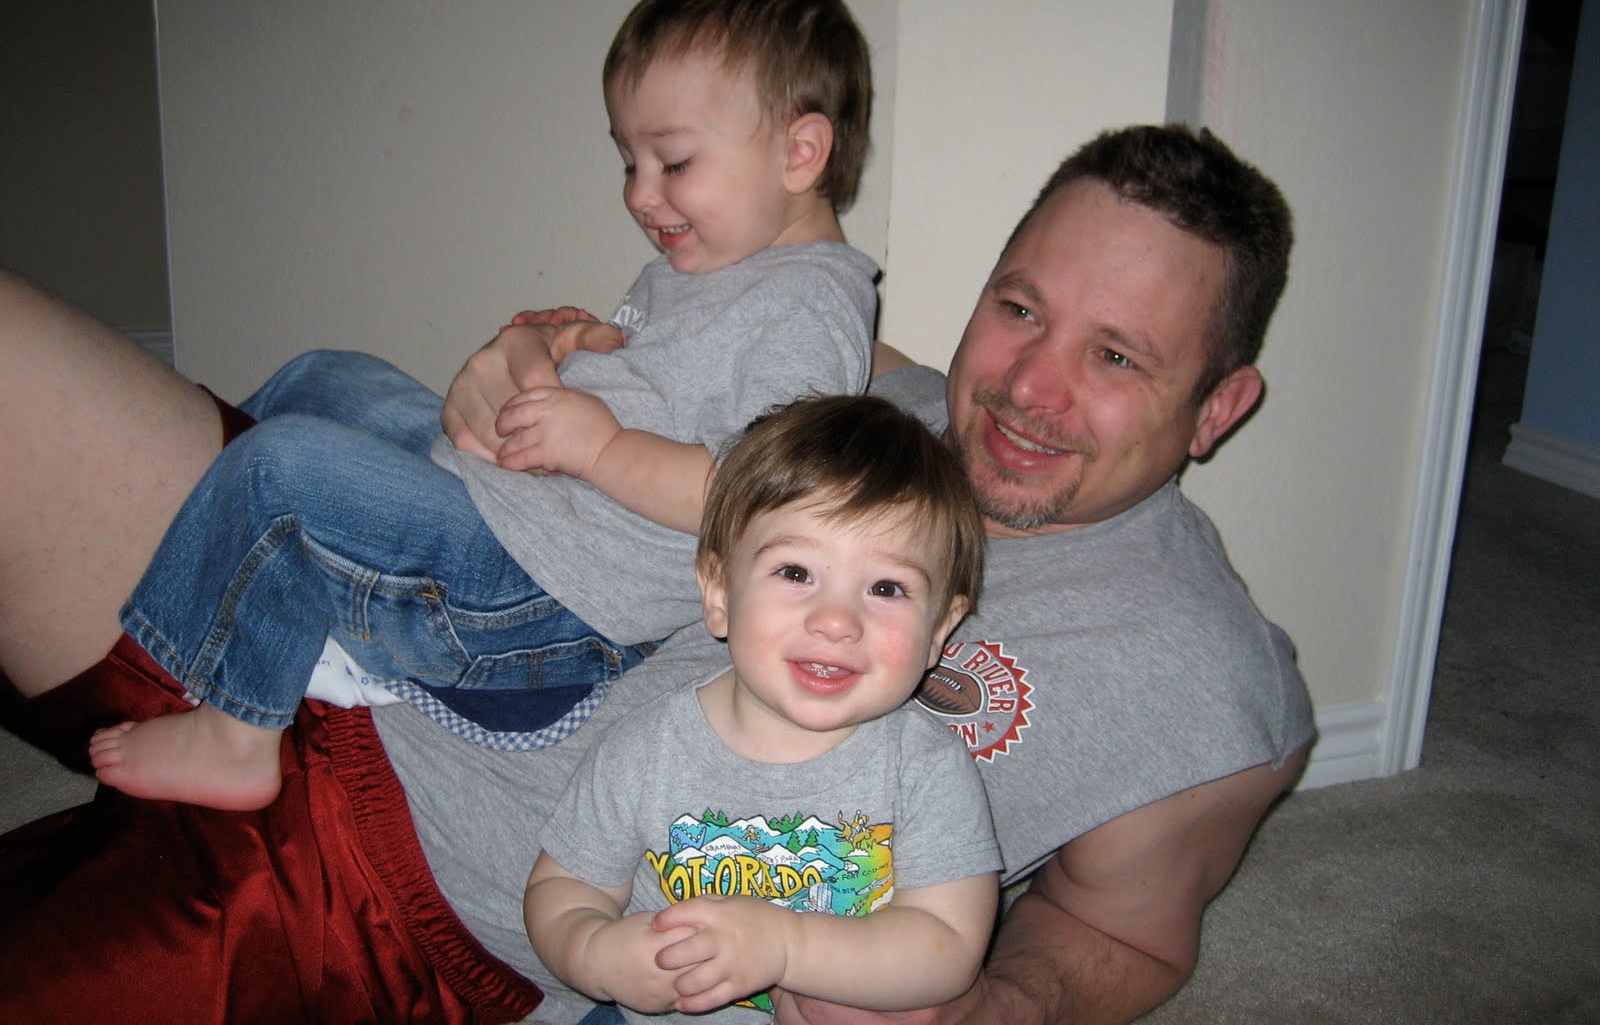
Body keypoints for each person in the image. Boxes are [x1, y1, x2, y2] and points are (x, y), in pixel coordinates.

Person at [0, 122, 1313, 1025]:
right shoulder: (866, 384)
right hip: (321, 618)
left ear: (1219, 405)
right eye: (1019, 309)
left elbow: (1126, 934)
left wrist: (993, 1007)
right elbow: (661, 345)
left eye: (1117, 358)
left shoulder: (1203, 680)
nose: (1028, 388)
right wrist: (533, 353)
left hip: (395, 898)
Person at [82, 0, 881, 811]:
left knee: (283, 471)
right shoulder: (717, 265)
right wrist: (577, 349)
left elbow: (767, 497)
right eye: (628, 163)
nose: (641, 196)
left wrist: (603, 447)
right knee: (325, 377)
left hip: (548, 601)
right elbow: (669, 386)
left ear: (801, 152)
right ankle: (226, 565)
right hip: (519, 512)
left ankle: (238, 729)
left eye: (673, 162)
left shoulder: (809, 308)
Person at [524, 395, 999, 1024]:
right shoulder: (646, 751)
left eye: (886, 588)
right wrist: (593, 950)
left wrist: (785, 947)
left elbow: (949, 947)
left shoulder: (925, 770)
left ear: (939, 629)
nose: (836, 620)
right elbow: (562, 887)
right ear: (720, 591)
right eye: (796, 572)